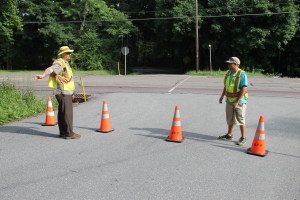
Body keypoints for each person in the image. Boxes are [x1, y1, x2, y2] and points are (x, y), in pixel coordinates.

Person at [33, 46, 80, 139]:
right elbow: (50, 69)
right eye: (68, 53)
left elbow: (67, 79)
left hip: (66, 91)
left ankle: (63, 133)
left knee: (63, 112)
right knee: (67, 113)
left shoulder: (65, 63)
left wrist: (72, 92)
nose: (70, 55)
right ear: (63, 54)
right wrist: (43, 75)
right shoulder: (60, 63)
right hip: (63, 92)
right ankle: (69, 133)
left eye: (70, 53)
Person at [218, 57, 248, 146]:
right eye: (228, 63)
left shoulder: (242, 74)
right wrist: (222, 96)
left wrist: (237, 102)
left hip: (239, 101)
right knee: (230, 119)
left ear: (236, 64)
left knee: (240, 119)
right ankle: (229, 135)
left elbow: (244, 89)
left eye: (230, 63)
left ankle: (243, 137)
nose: (228, 65)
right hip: (229, 100)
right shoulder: (228, 73)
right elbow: (226, 86)